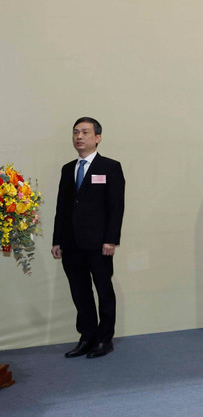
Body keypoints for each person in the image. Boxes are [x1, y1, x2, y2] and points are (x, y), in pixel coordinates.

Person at [51, 117, 125, 359]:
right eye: (75, 132)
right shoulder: (67, 168)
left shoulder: (110, 167)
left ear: (97, 137)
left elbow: (116, 207)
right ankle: (87, 336)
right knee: (80, 292)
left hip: (99, 244)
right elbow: (61, 207)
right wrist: (57, 240)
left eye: (84, 132)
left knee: (104, 291)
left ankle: (105, 339)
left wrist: (111, 240)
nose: (79, 137)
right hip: (71, 244)